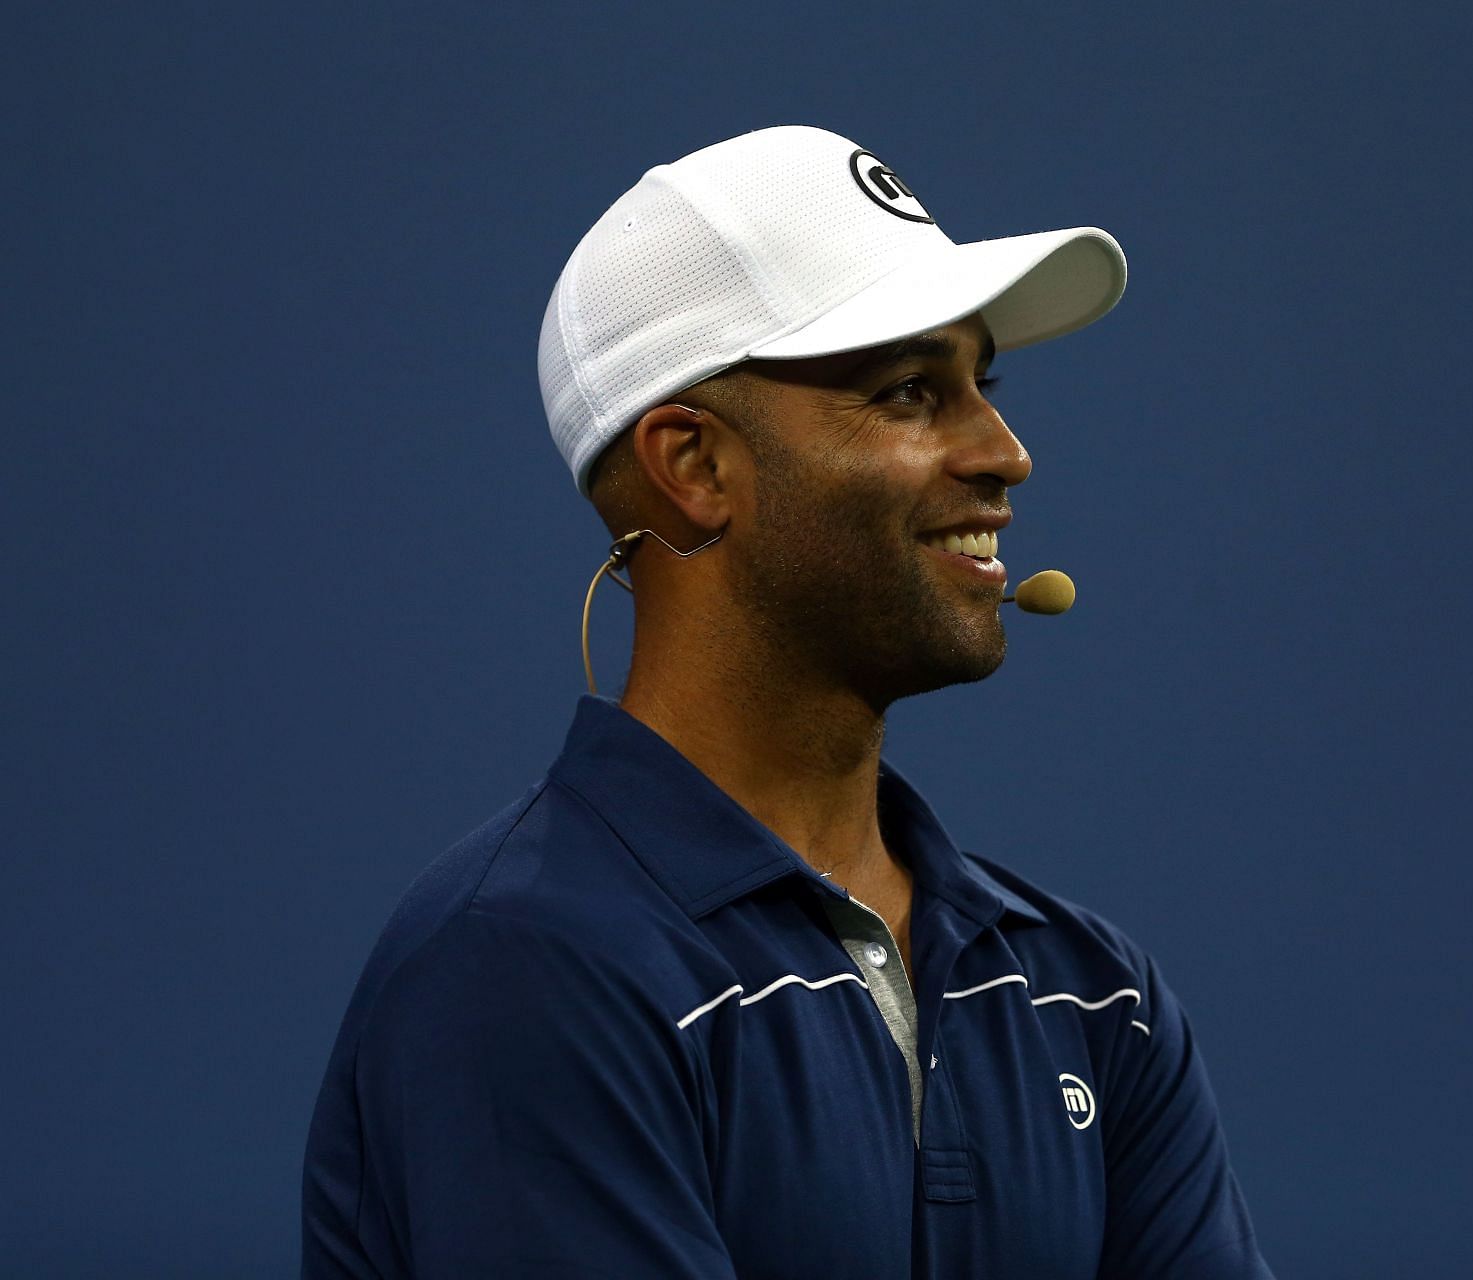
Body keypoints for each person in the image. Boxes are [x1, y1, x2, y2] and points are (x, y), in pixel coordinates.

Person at [302, 125, 1271, 1279]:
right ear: (697, 465)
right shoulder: (524, 965)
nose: (1005, 453)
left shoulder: (1094, 991)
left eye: (984, 384)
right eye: (912, 390)